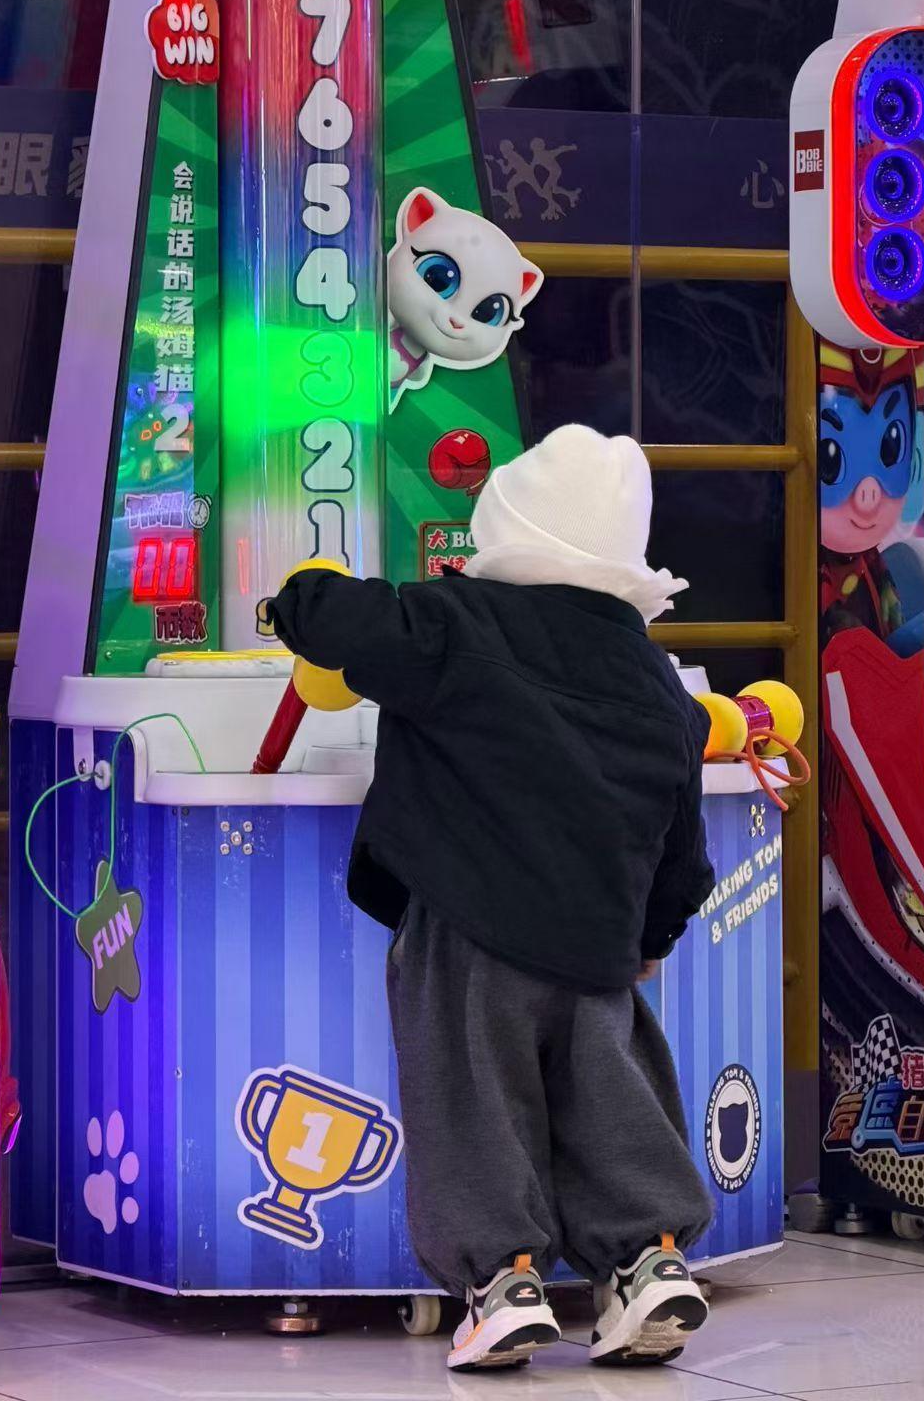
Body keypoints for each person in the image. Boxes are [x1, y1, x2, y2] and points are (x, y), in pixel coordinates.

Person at [262, 425, 716, 1371]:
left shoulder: (457, 624)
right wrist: (651, 937)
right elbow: (683, 850)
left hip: (468, 931)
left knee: (474, 1099)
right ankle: (650, 1259)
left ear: (504, 529)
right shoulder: (655, 679)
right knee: (610, 1101)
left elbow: (346, 619)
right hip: (597, 945)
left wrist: (295, 598)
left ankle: (503, 1281)